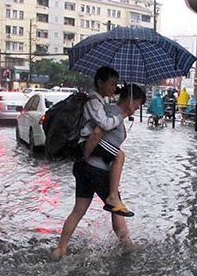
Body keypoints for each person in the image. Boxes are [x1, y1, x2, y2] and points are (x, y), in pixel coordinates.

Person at [53, 84, 147, 258]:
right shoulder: (112, 113)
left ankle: (61, 249)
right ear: (130, 100)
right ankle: (128, 248)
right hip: (96, 169)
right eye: (138, 103)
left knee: (79, 209)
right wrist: (86, 156)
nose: (139, 107)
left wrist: (83, 161)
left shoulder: (112, 112)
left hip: (84, 168)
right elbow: (97, 133)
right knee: (116, 206)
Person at [80, 67, 135, 217]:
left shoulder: (100, 101)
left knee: (78, 211)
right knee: (119, 155)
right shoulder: (93, 101)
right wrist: (123, 113)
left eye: (115, 84)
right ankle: (113, 197)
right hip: (87, 143)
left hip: (91, 146)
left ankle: (63, 242)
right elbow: (103, 125)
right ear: (99, 82)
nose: (114, 87)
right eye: (111, 84)